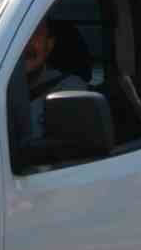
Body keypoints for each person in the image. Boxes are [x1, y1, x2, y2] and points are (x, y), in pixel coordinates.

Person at [10, 16, 89, 154]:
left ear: (49, 45)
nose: (25, 43)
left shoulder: (69, 89)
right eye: (18, 36)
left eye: (35, 34)